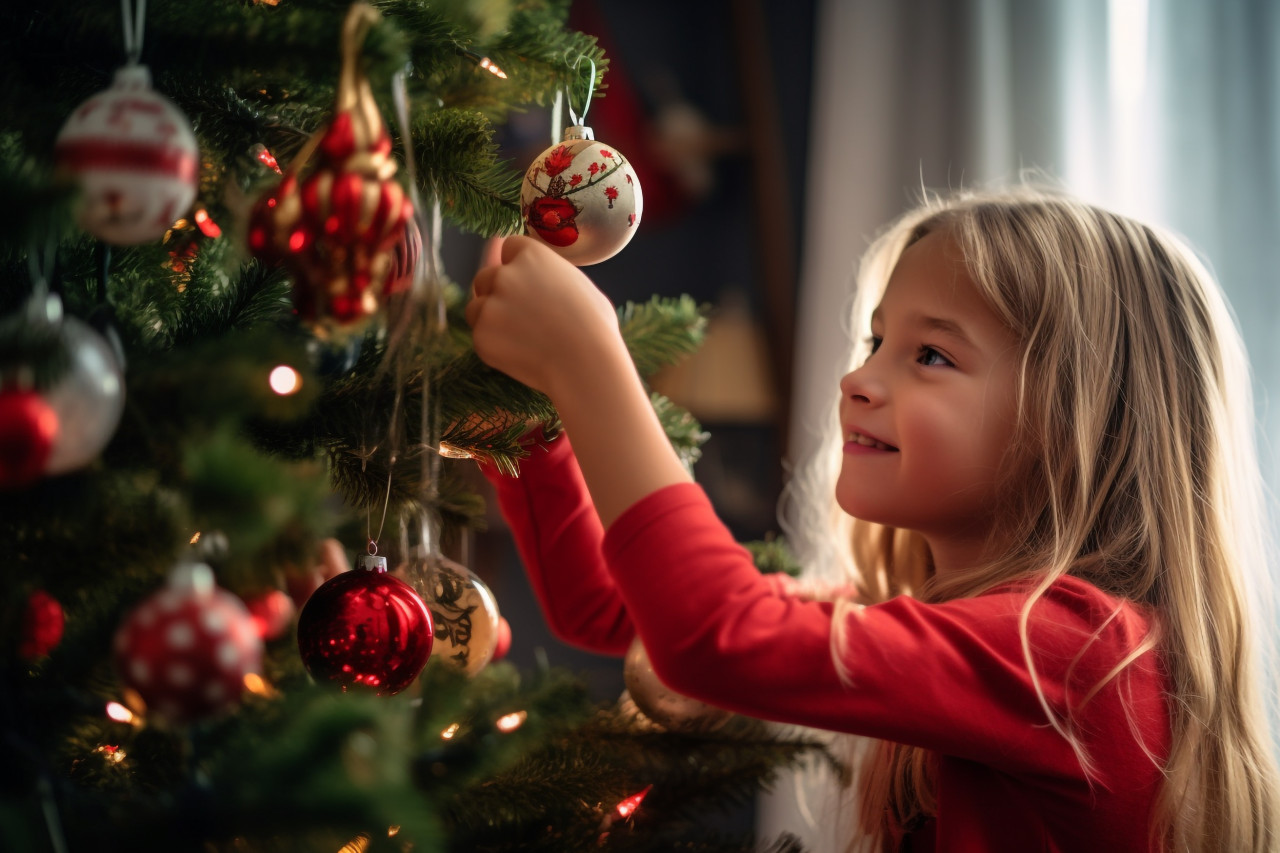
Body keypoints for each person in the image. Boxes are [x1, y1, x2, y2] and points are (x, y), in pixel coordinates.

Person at [466, 186, 1280, 852]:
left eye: (931, 355)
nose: (858, 377)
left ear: (1076, 425)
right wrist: (525, 411)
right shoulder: (945, 623)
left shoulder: (1078, 651)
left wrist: (592, 363)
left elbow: (714, 632)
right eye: (876, 338)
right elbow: (612, 606)